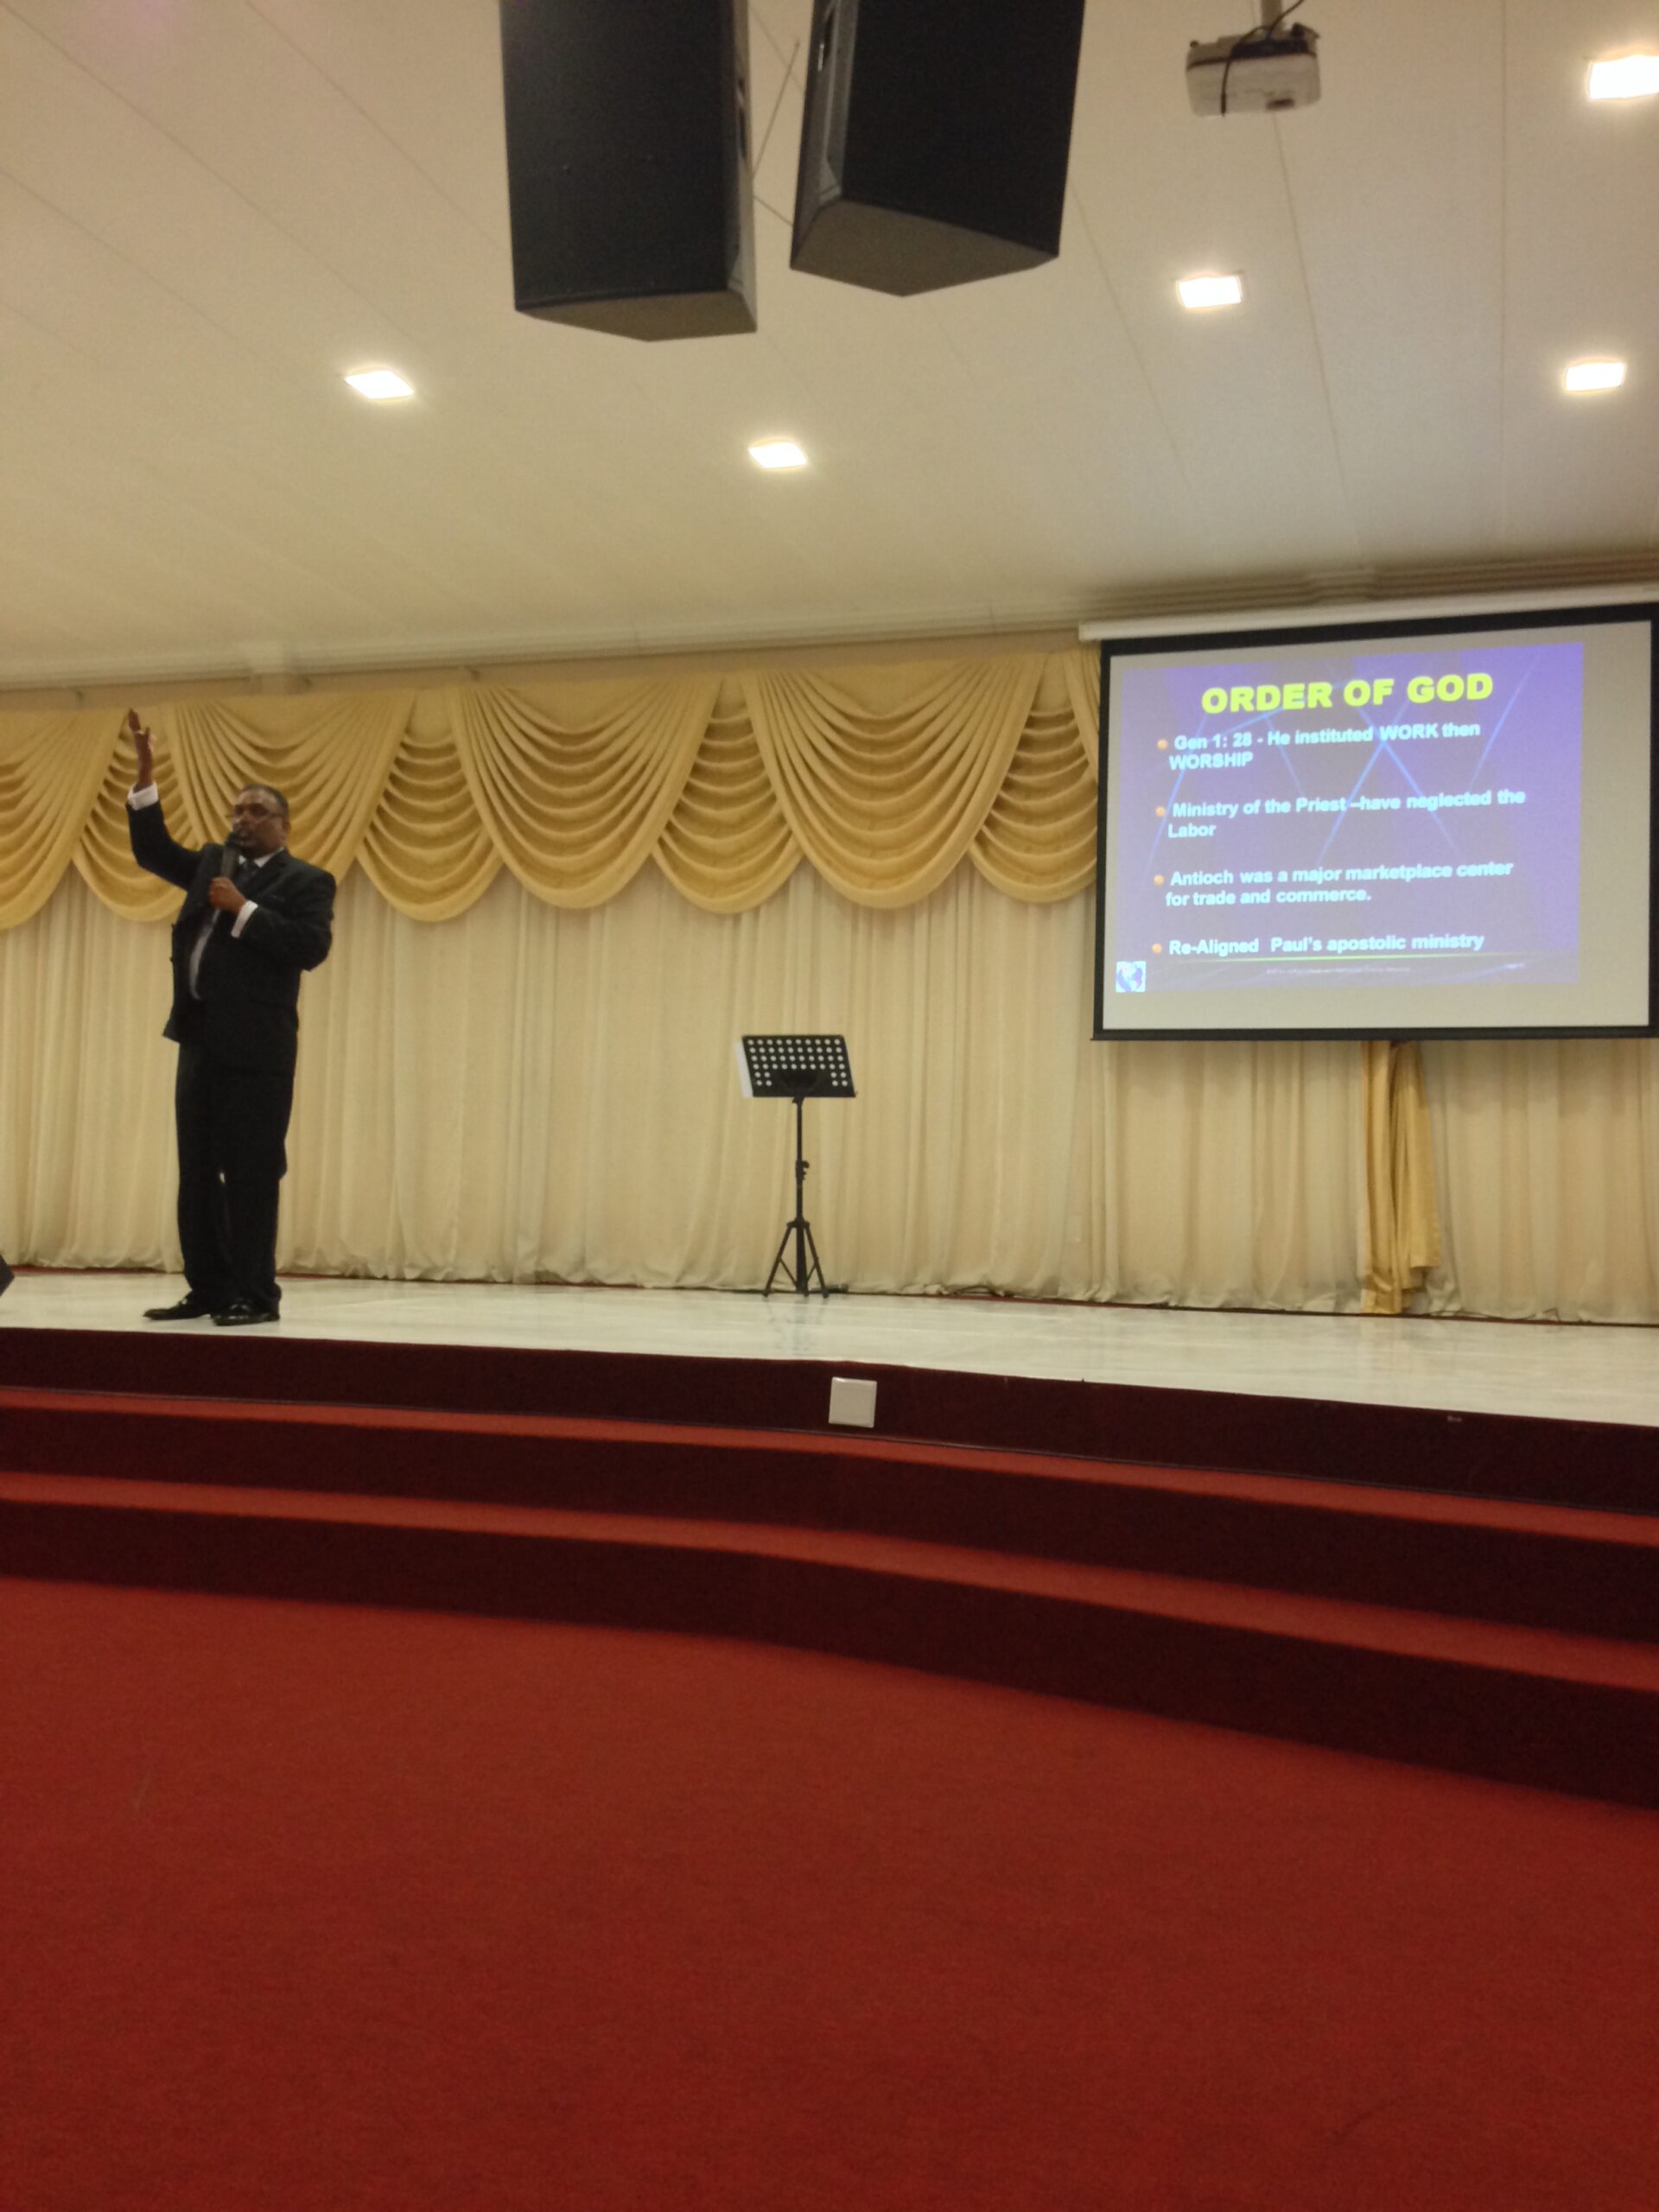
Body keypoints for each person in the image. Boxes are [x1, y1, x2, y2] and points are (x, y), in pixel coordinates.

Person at [124, 710, 335, 1326]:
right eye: (237, 810)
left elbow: (310, 948)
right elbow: (152, 850)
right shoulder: (213, 863)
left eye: (256, 811)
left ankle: (256, 1295)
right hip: (199, 1042)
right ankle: (210, 1289)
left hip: (259, 1053)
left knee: (250, 1174)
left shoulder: (307, 881)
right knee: (196, 1174)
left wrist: (244, 910)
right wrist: (145, 775)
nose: (242, 819)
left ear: (284, 826)